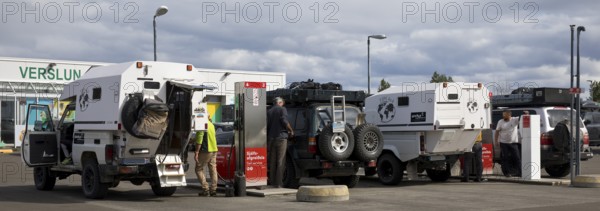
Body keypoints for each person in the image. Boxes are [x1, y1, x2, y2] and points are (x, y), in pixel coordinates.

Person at [267, 97, 293, 188]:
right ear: (280, 102)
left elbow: (268, 125)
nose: (283, 104)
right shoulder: (282, 109)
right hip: (281, 138)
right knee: (281, 161)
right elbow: (284, 121)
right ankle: (278, 183)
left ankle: (272, 182)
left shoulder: (269, 111)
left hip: (271, 139)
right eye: (283, 103)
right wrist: (291, 130)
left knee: (272, 161)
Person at [195, 115, 218, 197]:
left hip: (206, 150)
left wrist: (197, 151)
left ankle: (205, 189)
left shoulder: (202, 124)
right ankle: (213, 190)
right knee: (213, 169)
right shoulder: (211, 124)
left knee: (198, 169)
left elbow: (200, 138)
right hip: (214, 149)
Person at [494, 110, 522, 177]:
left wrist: (525, 113)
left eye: (505, 115)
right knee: (505, 158)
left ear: (509, 115)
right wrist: (496, 141)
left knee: (517, 157)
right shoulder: (500, 121)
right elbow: (497, 131)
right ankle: (506, 173)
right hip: (503, 143)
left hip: (513, 143)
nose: (503, 116)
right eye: (503, 115)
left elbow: (522, 117)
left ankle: (520, 172)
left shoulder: (514, 120)